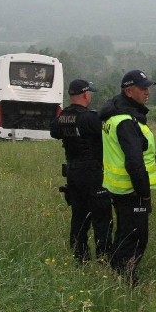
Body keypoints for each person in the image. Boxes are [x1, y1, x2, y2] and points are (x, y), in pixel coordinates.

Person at [99, 69, 156, 285]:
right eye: (143, 89)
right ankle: (127, 279)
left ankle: (117, 271)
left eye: (148, 88)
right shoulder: (125, 121)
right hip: (131, 189)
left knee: (124, 231)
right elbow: (134, 162)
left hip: (119, 187)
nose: (147, 92)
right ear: (129, 91)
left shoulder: (114, 115)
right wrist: (143, 191)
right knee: (135, 236)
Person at [50, 79, 112, 264]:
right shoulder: (90, 118)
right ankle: (104, 257)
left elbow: (55, 132)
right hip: (93, 173)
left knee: (79, 217)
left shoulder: (61, 118)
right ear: (85, 94)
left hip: (73, 172)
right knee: (102, 218)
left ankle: (80, 258)